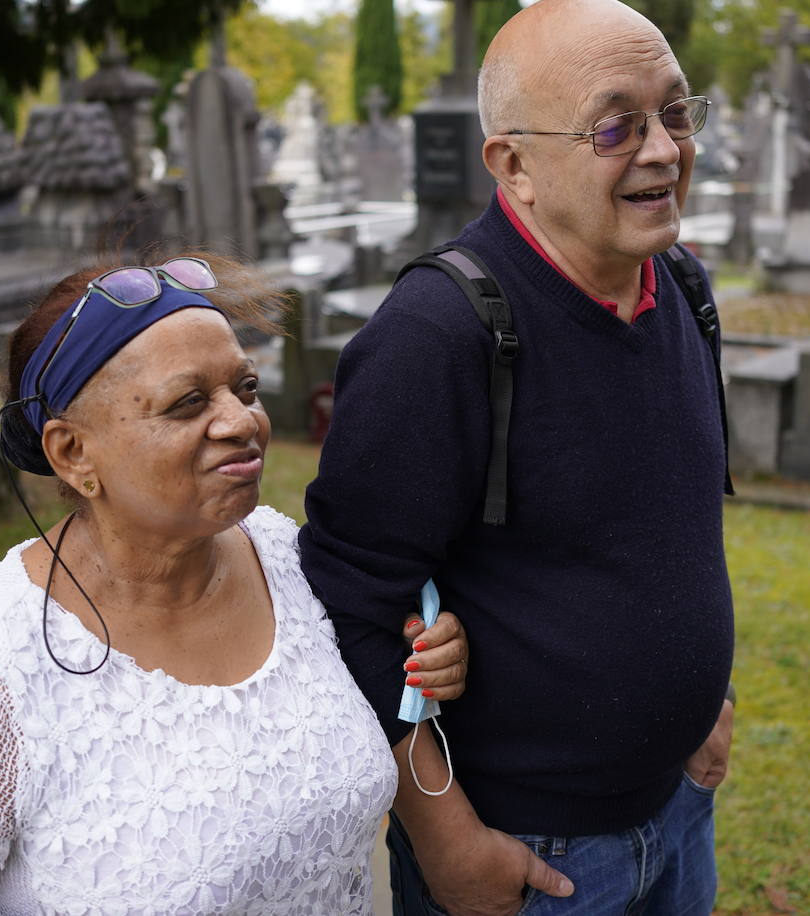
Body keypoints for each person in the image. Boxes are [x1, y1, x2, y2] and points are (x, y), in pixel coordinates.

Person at [0, 253, 469, 915]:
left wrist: (425, 657)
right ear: (71, 452)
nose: (241, 422)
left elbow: (377, 698)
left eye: (245, 388)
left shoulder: (289, 562)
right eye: (187, 403)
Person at [298, 1, 735, 913]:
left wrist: (706, 701)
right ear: (514, 166)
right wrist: (447, 839)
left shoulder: (682, 284)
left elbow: (670, 528)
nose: (661, 150)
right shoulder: (436, 337)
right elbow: (349, 608)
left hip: (681, 812)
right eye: (616, 124)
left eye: (677, 112)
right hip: (531, 854)